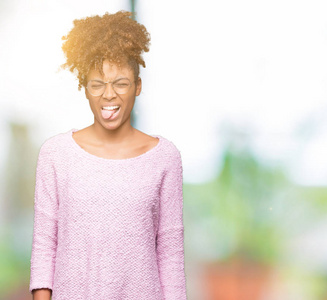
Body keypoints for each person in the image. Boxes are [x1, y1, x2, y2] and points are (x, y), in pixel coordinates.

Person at [29, 11, 187, 299]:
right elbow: (44, 247)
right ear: (85, 89)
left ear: (138, 87)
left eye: (121, 83)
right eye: (97, 84)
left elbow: (170, 252)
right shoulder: (56, 154)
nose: (109, 95)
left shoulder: (164, 158)